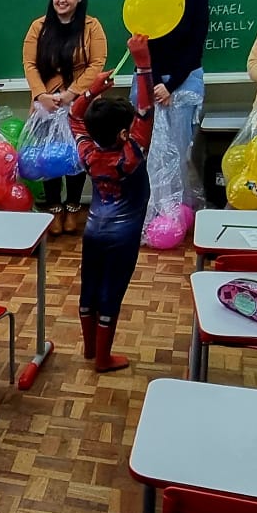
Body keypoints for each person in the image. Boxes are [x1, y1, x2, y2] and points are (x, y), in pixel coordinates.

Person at [69, 34, 154, 373]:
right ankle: (103, 359)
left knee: (89, 288)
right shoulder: (130, 156)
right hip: (123, 235)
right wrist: (144, 64)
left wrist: (92, 90)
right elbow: (147, 112)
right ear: (123, 134)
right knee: (111, 293)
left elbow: (75, 118)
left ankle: (91, 349)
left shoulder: (89, 153)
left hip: (94, 230)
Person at [23, 0, 108, 234]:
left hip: (80, 102)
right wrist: (41, 96)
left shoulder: (92, 27)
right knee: (48, 156)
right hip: (46, 103)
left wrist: (72, 94)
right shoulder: (39, 27)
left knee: (75, 156)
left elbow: (97, 63)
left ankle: (72, 207)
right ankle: (53, 208)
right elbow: (30, 63)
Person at [145, 0, 211, 225]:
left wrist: (170, 87)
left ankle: (179, 210)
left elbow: (194, 47)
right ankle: (156, 209)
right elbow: (147, 45)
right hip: (152, 81)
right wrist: (157, 83)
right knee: (154, 152)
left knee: (180, 151)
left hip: (184, 84)